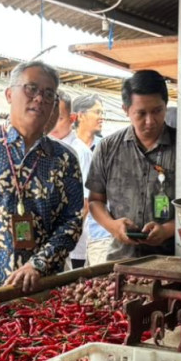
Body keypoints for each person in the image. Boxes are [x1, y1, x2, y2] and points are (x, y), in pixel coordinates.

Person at [0, 62, 83, 293]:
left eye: (49, 94)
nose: (39, 98)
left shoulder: (64, 159)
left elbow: (72, 221)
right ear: (9, 94)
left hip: (40, 289)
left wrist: (39, 264)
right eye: (31, 88)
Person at [87, 70, 176, 261]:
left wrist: (168, 230)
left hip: (173, 261)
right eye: (141, 113)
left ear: (166, 106)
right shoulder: (107, 147)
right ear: (126, 110)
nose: (150, 121)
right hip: (121, 259)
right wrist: (113, 226)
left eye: (157, 111)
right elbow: (95, 201)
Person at [48, 92, 95, 270]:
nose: (52, 124)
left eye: (59, 118)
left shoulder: (78, 152)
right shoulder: (47, 148)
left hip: (72, 246)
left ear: (72, 118)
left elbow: (85, 203)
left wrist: (63, 239)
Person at [71, 94, 113, 266]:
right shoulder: (69, 149)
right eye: (97, 112)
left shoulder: (107, 148)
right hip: (76, 237)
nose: (101, 117)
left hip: (101, 234)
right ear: (80, 115)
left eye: (102, 112)